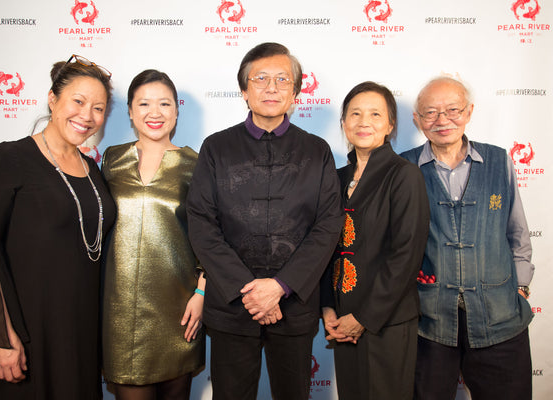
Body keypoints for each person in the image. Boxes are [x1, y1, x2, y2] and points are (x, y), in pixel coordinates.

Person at [186, 42, 344, 400]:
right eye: (260, 79)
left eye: (281, 80)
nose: (271, 87)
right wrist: (249, 288)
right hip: (231, 305)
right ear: (244, 90)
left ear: (295, 93)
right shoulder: (216, 147)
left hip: (294, 305)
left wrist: (280, 286)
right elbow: (201, 222)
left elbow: (327, 225)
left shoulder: (317, 150)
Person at [0, 55, 116, 399]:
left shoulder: (92, 170)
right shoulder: (7, 160)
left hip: (79, 335)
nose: (87, 116)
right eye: (78, 101)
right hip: (25, 335)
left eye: (98, 108)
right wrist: (2, 337)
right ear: (52, 99)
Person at [400, 77, 534, 399]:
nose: (442, 120)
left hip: (500, 317)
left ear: (469, 111)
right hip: (429, 322)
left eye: (452, 110)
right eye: (430, 112)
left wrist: (521, 286)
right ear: (417, 120)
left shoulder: (499, 161)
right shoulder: (403, 168)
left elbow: (517, 232)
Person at [319, 81, 430, 399]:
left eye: (375, 114)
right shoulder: (336, 178)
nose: (363, 122)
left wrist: (364, 318)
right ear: (343, 124)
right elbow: (326, 247)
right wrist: (327, 306)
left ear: (390, 125)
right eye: (354, 113)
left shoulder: (404, 175)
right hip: (342, 320)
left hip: (387, 321)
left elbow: (406, 256)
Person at [100, 69, 205, 400]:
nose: (154, 113)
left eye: (164, 104)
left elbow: (210, 235)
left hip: (180, 306)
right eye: (144, 104)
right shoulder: (110, 159)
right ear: (130, 111)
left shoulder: (196, 164)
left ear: (176, 111)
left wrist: (202, 294)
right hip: (119, 309)